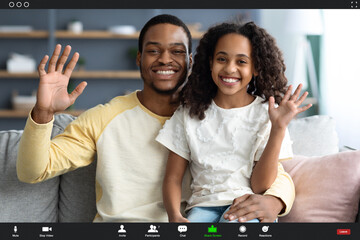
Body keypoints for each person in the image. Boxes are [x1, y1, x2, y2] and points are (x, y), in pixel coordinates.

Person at [17, 14, 294, 222]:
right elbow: (32, 171)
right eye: (153, 50)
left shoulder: (215, 114)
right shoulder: (104, 118)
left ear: (191, 61)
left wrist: (275, 201)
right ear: (139, 59)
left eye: (176, 51)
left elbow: (273, 174)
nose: (164, 59)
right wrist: (43, 113)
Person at [157, 22, 311, 223]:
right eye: (222, 59)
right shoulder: (188, 113)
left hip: (247, 206)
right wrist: (174, 216)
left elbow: (261, 186)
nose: (230, 68)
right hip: (202, 208)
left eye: (241, 61)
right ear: (210, 63)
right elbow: (173, 177)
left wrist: (278, 128)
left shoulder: (267, 114)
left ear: (256, 68)